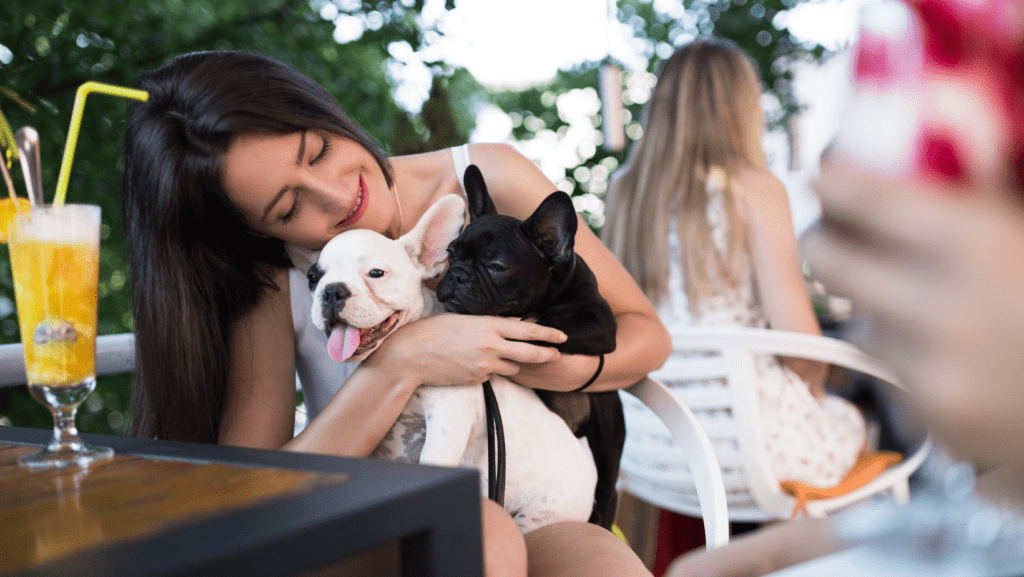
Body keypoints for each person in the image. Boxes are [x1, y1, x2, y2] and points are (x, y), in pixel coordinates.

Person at [119, 50, 670, 577]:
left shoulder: (485, 175)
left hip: (532, 493)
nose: (335, 196)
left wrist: (547, 365)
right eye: (289, 208)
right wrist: (401, 361)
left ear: (322, 109)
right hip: (373, 516)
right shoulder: (274, 276)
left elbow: (646, 335)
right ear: (257, 230)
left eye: (318, 152)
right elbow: (257, 491)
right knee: (482, 533)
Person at [602, 39, 867, 499]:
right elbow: (802, 348)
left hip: (652, 446)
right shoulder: (756, 189)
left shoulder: (625, 193)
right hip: (750, 450)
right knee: (855, 420)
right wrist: (816, 390)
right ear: (741, 108)